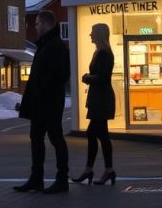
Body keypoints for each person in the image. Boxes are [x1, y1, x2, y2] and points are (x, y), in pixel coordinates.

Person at [14, 10, 70, 194]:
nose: (34, 26)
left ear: (46, 24)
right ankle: (36, 178)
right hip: (40, 103)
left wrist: (43, 89)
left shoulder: (56, 46)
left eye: (37, 23)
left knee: (55, 139)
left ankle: (62, 179)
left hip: (49, 103)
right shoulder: (45, 45)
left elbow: (61, 75)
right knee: (36, 139)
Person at [72, 23, 117, 186]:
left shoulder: (104, 53)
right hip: (99, 99)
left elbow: (102, 77)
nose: (89, 35)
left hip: (101, 100)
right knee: (98, 134)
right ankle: (104, 169)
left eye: (92, 32)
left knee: (95, 133)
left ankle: (97, 169)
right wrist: (90, 77)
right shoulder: (101, 52)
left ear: (98, 34)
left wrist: (86, 78)